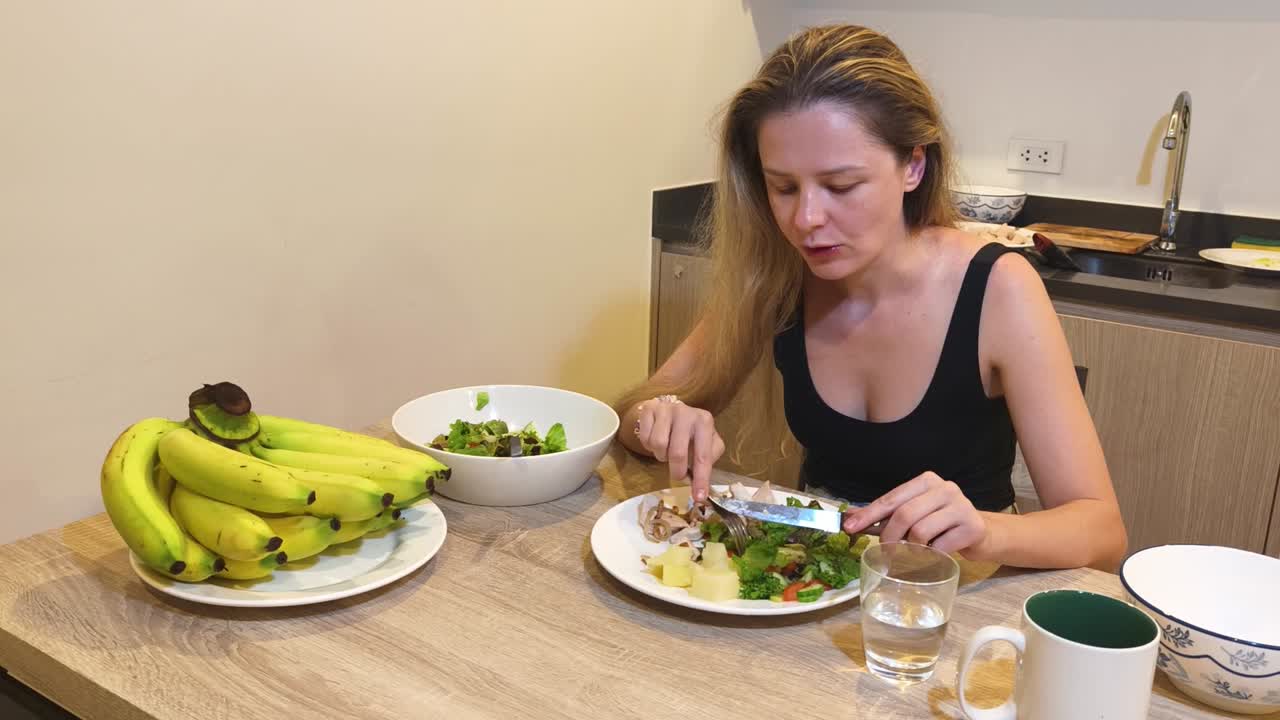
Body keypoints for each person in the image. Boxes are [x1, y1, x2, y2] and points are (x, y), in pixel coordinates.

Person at [616, 24, 1127, 571]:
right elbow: (634, 418)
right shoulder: (778, 277)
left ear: (913, 165)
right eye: (783, 187)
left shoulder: (997, 288)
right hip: (815, 576)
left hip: (955, 595)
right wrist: (659, 416)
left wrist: (988, 532)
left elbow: (1100, 529)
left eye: (840, 186)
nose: (806, 219)